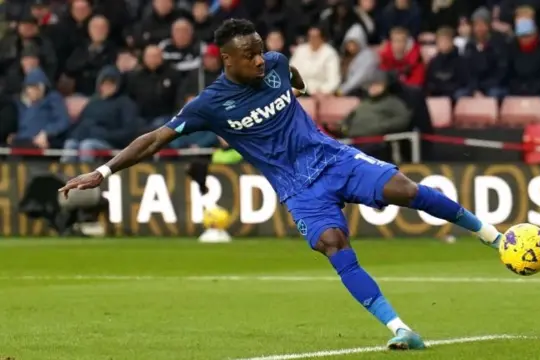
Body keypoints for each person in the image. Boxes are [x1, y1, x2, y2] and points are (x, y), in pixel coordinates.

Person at [59, 19, 504, 350]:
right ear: (226, 59)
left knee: (406, 191)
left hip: (332, 158)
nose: (259, 58)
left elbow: (285, 72)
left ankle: (493, 237)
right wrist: (103, 172)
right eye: (248, 54)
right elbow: (154, 139)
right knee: (333, 242)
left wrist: (298, 82)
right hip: (298, 187)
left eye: (260, 50)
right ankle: (401, 329)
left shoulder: (274, 63)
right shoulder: (209, 105)